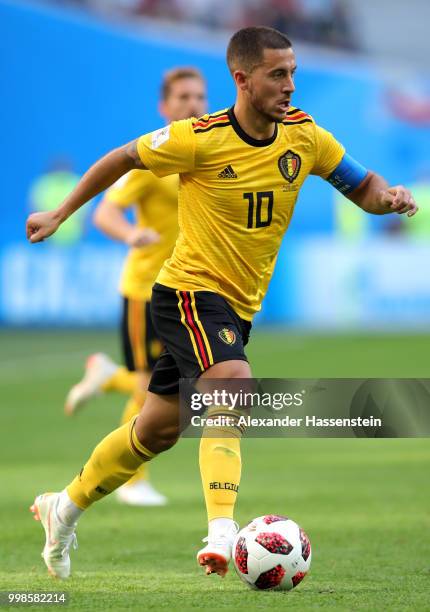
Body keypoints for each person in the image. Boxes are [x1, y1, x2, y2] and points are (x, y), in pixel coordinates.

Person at [26, 26, 417, 581]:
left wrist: (389, 199)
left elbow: (362, 185)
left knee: (156, 430)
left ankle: (61, 508)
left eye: (293, 73)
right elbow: (121, 158)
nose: (289, 86)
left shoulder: (305, 137)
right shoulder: (198, 137)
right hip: (187, 292)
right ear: (242, 79)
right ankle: (223, 532)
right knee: (232, 382)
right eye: (277, 75)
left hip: (237, 308)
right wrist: (61, 213)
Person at [64, 67, 208, 507]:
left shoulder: (206, 151)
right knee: (154, 387)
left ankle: (108, 377)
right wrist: (131, 236)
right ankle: (134, 479)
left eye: (200, 97)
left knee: (181, 386)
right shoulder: (153, 157)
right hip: (147, 288)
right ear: (164, 107)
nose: (193, 105)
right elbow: (105, 213)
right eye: (182, 97)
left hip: (189, 288)